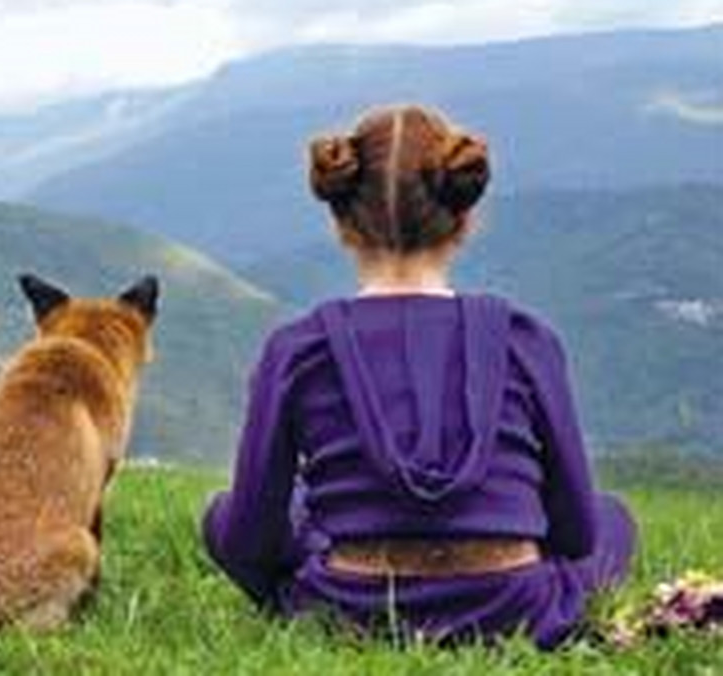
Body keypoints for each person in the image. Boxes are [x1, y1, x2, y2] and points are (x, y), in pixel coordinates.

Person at [201, 104, 636, 649]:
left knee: (223, 515)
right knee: (613, 517)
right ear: (464, 217)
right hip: (516, 605)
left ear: (341, 221)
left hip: (347, 604)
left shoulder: (296, 350)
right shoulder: (526, 339)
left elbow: (249, 538)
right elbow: (576, 531)